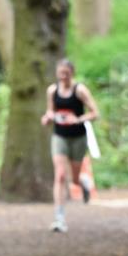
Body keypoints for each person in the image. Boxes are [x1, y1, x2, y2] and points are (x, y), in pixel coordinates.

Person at [41, 58, 100, 232]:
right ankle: (59, 218)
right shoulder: (52, 90)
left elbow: (95, 113)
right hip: (59, 136)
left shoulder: (80, 90)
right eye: (61, 74)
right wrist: (47, 117)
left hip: (78, 137)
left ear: (72, 73)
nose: (63, 77)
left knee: (73, 178)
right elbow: (50, 110)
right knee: (60, 175)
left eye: (66, 74)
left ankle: (83, 182)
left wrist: (78, 119)